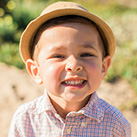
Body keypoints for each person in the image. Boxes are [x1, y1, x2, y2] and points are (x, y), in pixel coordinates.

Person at [8, 1, 131, 137]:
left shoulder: (114, 124)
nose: (73, 65)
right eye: (58, 56)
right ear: (36, 71)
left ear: (103, 67)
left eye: (86, 54)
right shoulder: (25, 120)